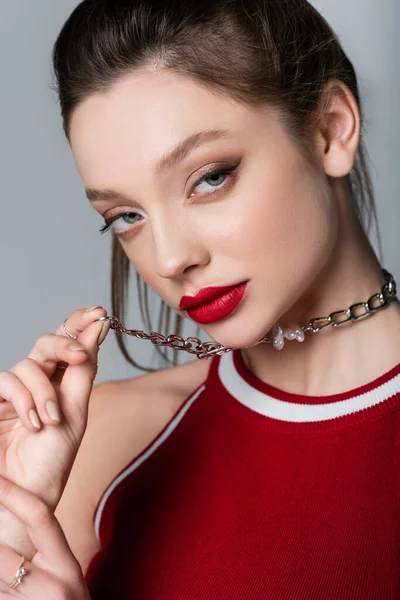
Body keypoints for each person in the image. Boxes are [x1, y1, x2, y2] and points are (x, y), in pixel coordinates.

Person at [0, 0, 399, 597]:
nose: (167, 259)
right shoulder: (101, 438)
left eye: (209, 177)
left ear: (330, 129)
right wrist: (14, 518)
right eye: (126, 215)